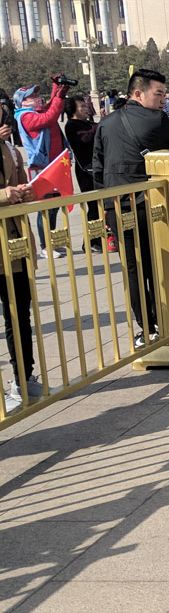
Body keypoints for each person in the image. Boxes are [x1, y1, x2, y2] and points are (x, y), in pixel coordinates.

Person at [92, 69, 169, 347]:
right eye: (158, 94)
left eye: (164, 94)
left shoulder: (107, 122)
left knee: (133, 269)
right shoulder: (157, 120)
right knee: (156, 264)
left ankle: (146, 329)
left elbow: (97, 169)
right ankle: (167, 322)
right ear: (138, 93)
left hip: (116, 206)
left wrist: (102, 205)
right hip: (150, 206)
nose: (164, 100)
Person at [1, 127, 41, 413]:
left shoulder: (11, 149)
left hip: (13, 245)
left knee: (18, 314)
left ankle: (24, 378)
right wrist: (4, 194)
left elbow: (21, 184)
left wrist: (26, 192)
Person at [13, 79, 71, 258]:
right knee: (45, 208)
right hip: (42, 166)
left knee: (53, 206)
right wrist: (59, 96)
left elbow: (49, 107)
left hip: (52, 164)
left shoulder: (34, 111)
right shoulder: (25, 116)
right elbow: (50, 116)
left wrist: (57, 87)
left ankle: (51, 242)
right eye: (32, 96)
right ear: (22, 101)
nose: (37, 98)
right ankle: (45, 246)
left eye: (37, 94)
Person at [62, 95, 101, 250]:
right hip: (86, 171)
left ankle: (99, 238)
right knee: (93, 205)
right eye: (82, 107)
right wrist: (102, 124)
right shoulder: (72, 125)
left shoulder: (88, 123)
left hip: (96, 168)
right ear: (73, 110)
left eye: (86, 106)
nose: (86, 109)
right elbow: (86, 137)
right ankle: (91, 241)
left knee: (100, 204)